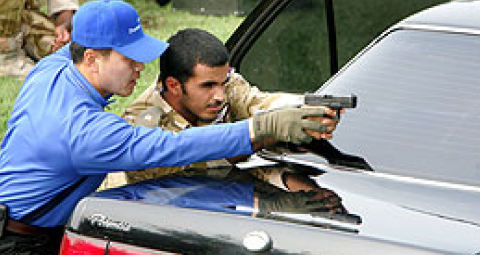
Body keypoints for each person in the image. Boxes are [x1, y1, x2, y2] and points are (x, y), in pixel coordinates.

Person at [0, 1, 336, 255]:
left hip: (38, 229)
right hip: (9, 251)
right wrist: (262, 129)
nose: (141, 67)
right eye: (128, 57)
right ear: (91, 58)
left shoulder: (54, 69)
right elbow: (172, 146)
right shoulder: (85, 134)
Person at [103, 28, 339, 188]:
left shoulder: (224, 85)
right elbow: (205, 166)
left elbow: (257, 103)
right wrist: (266, 134)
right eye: (207, 86)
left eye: (223, 82)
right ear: (173, 86)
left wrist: (307, 109)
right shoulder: (143, 124)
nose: (220, 96)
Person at [0, 0, 77, 77]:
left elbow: (65, 7)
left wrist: (62, 28)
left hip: (20, 20)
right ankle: (9, 59)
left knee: (62, 49)